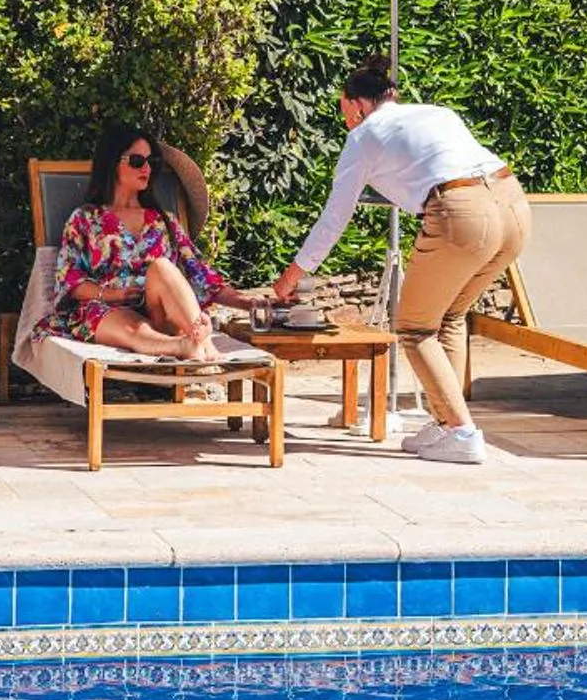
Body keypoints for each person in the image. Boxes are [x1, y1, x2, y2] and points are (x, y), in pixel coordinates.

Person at [273, 57, 529, 466]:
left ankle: (462, 432)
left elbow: (334, 218)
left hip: (462, 213)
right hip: (513, 205)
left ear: (357, 105)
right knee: (449, 317)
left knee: (413, 327)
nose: (345, 121)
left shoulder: (363, 137)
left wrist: (291, 276)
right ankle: (447, 422)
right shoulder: (436, 113)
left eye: (344, 110)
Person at [36, 122, 250, 360]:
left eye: (152, 162)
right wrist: (111, 295)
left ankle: (202, 343)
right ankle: (186, 347)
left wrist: (250, 303)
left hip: (161, 311)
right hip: (110, 310)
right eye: (138, 161)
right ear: (113, 163)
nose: (147, 168)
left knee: (162, 267)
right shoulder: (86, 219)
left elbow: (202, 276)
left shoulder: (163, 221)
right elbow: (70, 281)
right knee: (133, 327)